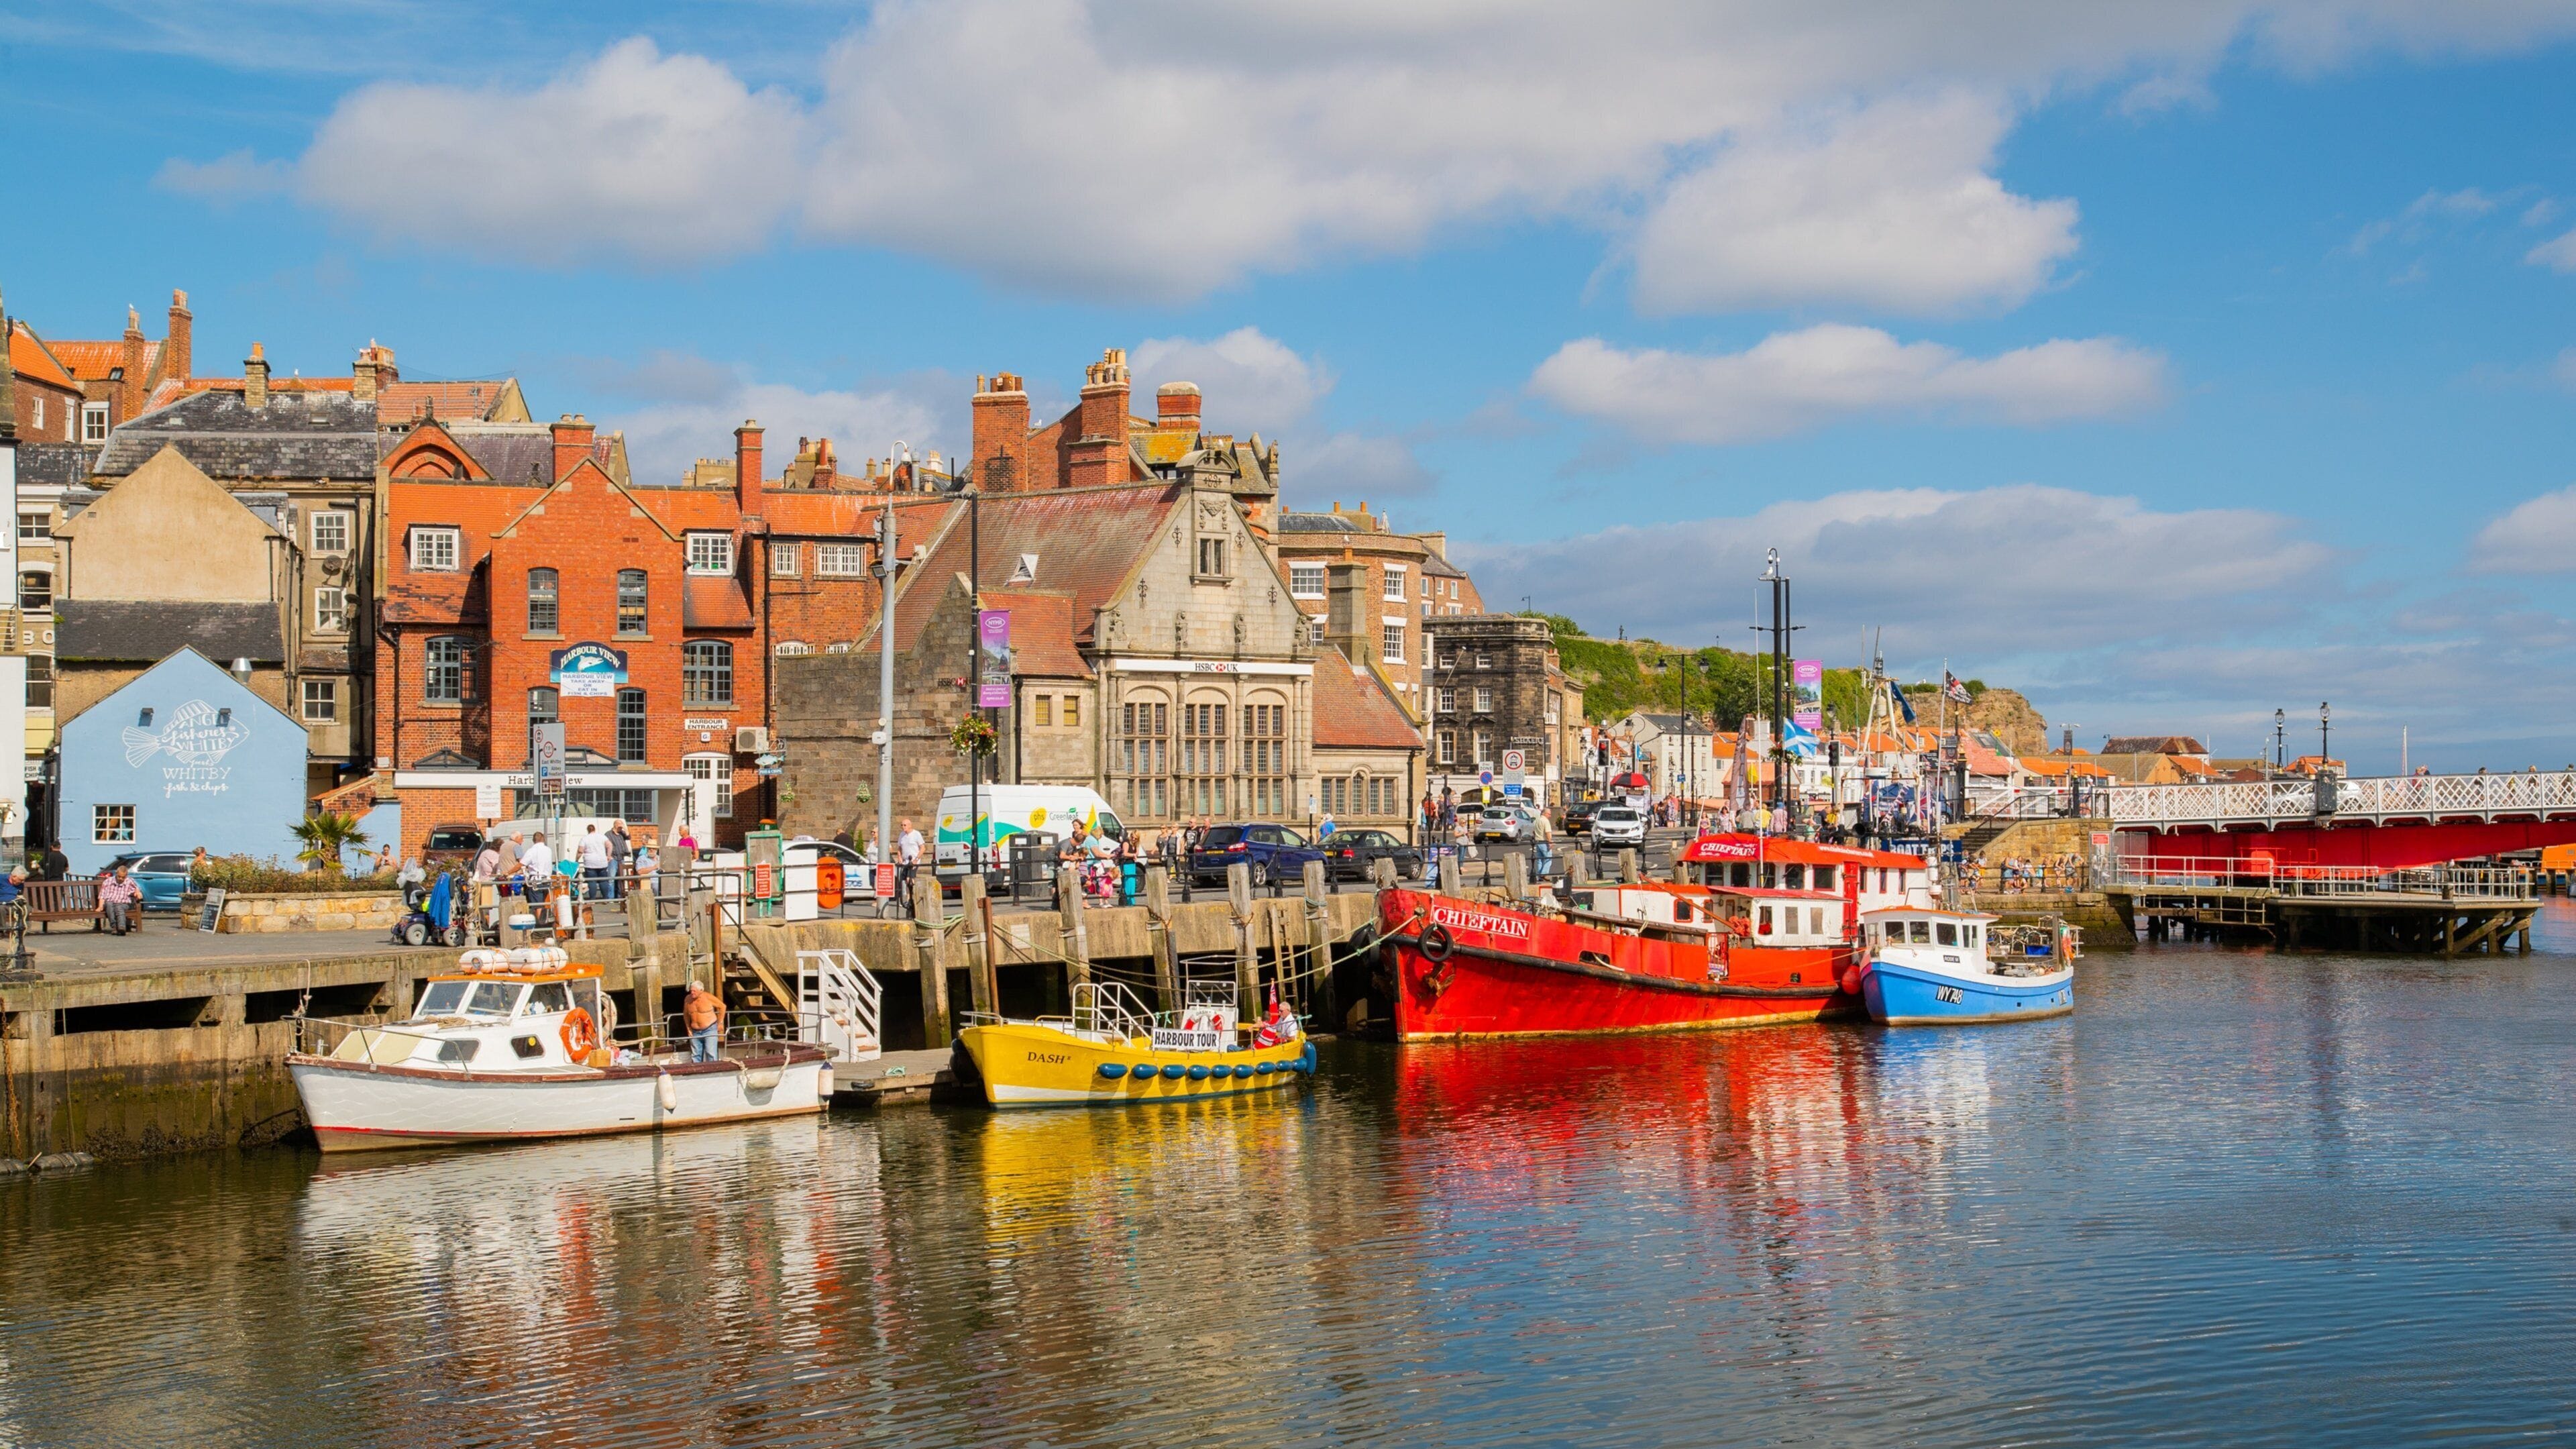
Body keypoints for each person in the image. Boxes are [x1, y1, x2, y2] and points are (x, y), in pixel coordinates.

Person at [683, 979, 725, 1063]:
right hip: (695, 1031)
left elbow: (723, 1007)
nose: (692, 993)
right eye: (691, 991)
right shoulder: (688, 999)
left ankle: (713, 1071)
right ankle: (697, 1073)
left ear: (701, 990)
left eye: (694, 991)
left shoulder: (708, 997)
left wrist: (720, 1023)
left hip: (709, 1029)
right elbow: (686, 1015)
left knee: (711, 1053)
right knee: (695, 1055)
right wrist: (688, 1028)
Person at [99, 863, 141, 936]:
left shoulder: (130, 881)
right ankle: (114, 927)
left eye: (123, 877)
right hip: (111, 902)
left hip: (124, 903)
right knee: (109, 905)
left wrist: (137, 893)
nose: (121, 879)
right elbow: (102, 895)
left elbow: (137, 890)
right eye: (119, 877)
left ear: (126, 876)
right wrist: (100, 906)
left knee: (119, 907)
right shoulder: (108, 881)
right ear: (116, 874)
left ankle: (122, 927)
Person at [578, 823, 612, 899]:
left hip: (590, 863)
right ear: (595, 829)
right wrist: (609, 856)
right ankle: (605, 898)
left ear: (588, 830)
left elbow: (580, 851)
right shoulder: (602, 837)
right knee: (603, 881)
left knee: (592, 881)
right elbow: (610, 845)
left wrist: (576, 859)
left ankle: (593, 899)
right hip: (602, 862)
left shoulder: (585, 839)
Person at [896, 817, 924, 898]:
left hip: (913, 861)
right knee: (906, 880)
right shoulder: (902, 835)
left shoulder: (916, 834)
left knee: (910, 879)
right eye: (902, 825)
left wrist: (917, 859)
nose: (903, 826)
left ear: (910, 825)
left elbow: (923, 848)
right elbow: (899, 847)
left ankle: (913, 897)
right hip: (905, 861)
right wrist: (899, 857)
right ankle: (909, 898)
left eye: (905, 825)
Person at [604, 820, 631, 901]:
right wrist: (608, 856)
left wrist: (625, 828)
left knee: (621, 878)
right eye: (620, 826)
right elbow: (605, 845)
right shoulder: (608, 834)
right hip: (613, 858)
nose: (621, 828)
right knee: (611, 879)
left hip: (621, 858)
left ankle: (620, 897)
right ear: (616, 826)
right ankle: (610, 898)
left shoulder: (622, 833)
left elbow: (629, 837)